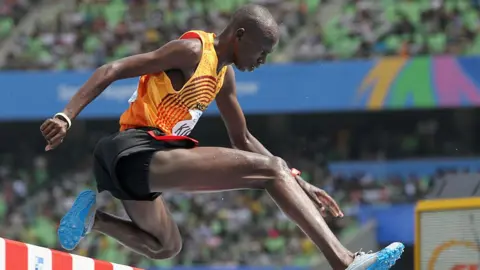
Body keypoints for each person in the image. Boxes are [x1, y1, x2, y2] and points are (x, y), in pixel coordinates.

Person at [40, 4, 403, 270]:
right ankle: (344, 261)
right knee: (271, 171)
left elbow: (242, 137)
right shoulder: (194, 51)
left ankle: (96, 220)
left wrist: (301, 184)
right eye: (261, 51)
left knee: (166, 247)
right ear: (240, 36)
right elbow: (113, 68)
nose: (262, 61)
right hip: (134, 149)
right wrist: (66, 115)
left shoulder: (224, 78)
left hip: (137, 170)